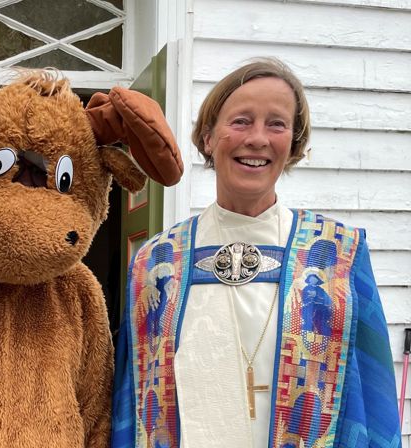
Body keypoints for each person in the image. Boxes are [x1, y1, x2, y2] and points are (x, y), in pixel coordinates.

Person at [111, 58, 400, 447]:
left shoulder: (338, 254)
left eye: (276, 123)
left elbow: (372, 398)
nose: (258, 138)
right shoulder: (155, 261)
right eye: (241, 120)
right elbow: (133, 399)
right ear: (209, 137)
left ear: (294, 144)